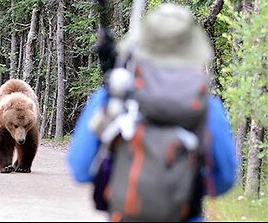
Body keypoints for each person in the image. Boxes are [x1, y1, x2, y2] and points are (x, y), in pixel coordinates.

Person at [66, 3, 238, 222]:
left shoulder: (115, 96)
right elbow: (223, 181)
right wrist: (180, 186)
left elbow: (80, 169)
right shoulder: (206, 107)